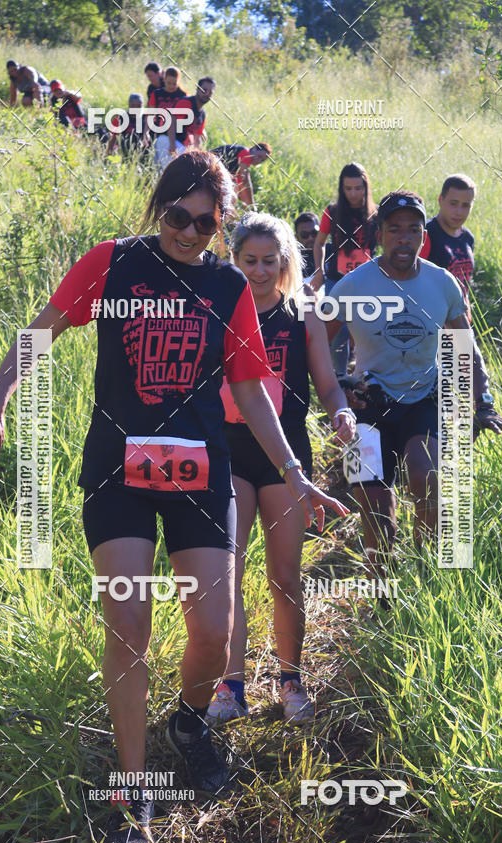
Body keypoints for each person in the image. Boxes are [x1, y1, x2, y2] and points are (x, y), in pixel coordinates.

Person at [0, 150, 348, 843]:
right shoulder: (114, 263)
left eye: (206, 224)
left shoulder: (230, 284)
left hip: (202, 471)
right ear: (159, 206)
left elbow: (250, 389)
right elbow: (40, 332)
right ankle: (133, 795)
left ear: (220, 225)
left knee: (211, 627)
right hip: (119, 470)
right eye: (178, 215)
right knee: (130, 621)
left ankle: (189, 721)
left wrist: (296, 471)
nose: (190, 232)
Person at [206, 212, 356, 726]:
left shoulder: (303, 312)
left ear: (286, 260)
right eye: (250, 260)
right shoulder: (219, 307)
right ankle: (230, 687)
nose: (260, 270)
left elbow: (328, 382)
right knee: (226, 573)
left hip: (287, 456)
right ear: (234, 259)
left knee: (285, 576)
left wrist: (341, 410)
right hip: (228, 451)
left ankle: (290, 681)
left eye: (270, 261)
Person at [327, 191, 502, 572]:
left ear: (423, 236)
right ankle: (380, 582)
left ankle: (426, 573)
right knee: (374, 511)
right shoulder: (353, 285)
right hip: (368, 403)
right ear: (379, 234)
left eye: (413, 230)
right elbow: (318, 339)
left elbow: (465, 345)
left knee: (426, 475)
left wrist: (483, 402)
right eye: (394, 229)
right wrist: (338, 385)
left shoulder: (441, 283)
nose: (404, 238)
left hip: (423, 398)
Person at [313, 163, 378, 376]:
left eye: (358, 188)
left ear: (366, 188)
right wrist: (318, 271)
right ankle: (339, 378)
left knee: (366, 329)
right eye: (348, 188)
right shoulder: (332, 212)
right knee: (337, 331)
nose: (353, 193)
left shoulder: (375, 214)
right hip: (337, 281)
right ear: (342, 189)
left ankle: (364, 376)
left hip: (366, 281)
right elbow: (319, 243)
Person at [419, 173, 476, 321]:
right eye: (453, 203)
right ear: (440, 200)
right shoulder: (425, 235)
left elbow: (465, 285)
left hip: (461, 322)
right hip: (431, 323)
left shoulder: (468, 238)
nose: (459, 212)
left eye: (465, 205)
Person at [148, 66, 187, 169]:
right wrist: (145, 133)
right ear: (164, 79)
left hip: (178, 135)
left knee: (172, 165)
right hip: (158, 132)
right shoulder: (156, 94)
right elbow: (150, 114)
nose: (171, 86)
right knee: (156, 164)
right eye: (169, 83)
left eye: (174, 83)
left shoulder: (183, 95)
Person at [211, 143, 272, 207]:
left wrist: (245, 205)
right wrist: (252, 205)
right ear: (254, 149)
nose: (259, 160)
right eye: (259, 156)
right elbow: (245, 180)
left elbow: (241, 185)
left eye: (262, 160)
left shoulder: (240, 163)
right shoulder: (245, 153)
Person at [166, 76, 215, 156]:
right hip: (169, 140)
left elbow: (197, 139)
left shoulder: (202, 114)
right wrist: (172, 145)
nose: (207, 94)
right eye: (204, 90)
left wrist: (200, 156)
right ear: (197, 89)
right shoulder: (186, 103)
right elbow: (171, 122)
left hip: (182, 147)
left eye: (210, 92)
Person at [106, 92, 149, 161]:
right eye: (133, 105)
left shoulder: (147, 118)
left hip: (143, 149)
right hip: (126, 149)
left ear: (143, 106)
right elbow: (113, 138)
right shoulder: (120, 118)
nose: (135, 108)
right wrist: (108, 155)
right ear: (129, 105)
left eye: (138, 106)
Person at [294, 212, 320, 280]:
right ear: (297, 237)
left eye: (314, 233)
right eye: (304, 235)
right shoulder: (293, 261)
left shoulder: (334, 252)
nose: (310, 238)